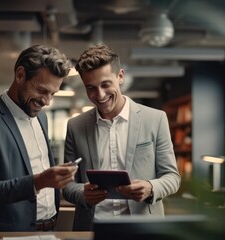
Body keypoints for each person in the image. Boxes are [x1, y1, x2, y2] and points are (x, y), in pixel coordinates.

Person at [62, 43, 181, 230]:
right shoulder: (75, 126)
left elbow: (172, 177)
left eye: (105, 84)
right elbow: (68, 184)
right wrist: (82, 193)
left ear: (120, 76)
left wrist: (151, 187)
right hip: (92, 228)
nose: (99, 95)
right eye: (91, 88)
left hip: (141, 229)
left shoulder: (155, 119)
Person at [0, 45, 77, 232]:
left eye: (52, 94)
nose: (47, 101)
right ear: (20, 75)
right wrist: (39, 181)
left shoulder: (42, 118)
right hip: (9, 234)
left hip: (50, 230)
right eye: (41, 90)